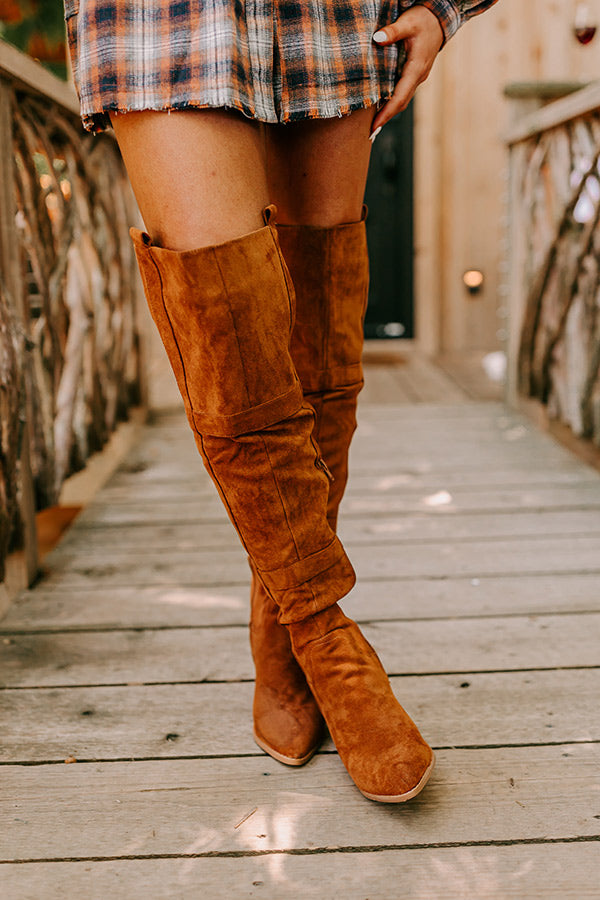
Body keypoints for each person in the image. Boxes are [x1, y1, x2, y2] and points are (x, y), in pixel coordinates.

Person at [64, 0, 499, 802]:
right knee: (229, 346)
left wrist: (445, 8)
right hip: (163, 18)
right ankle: (323, 634)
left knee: (321, 356)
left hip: (333, 17)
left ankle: (278, 631)